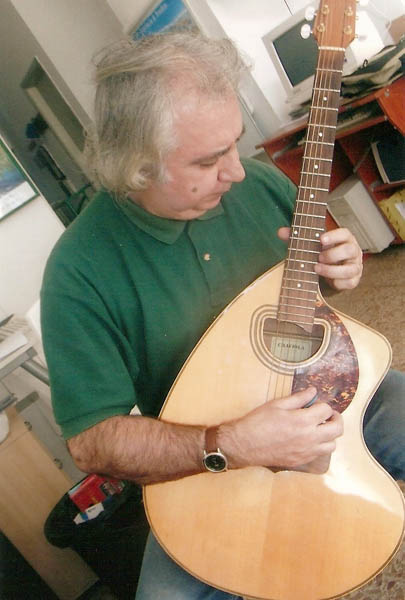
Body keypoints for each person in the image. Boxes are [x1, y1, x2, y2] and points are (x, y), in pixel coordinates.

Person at [40, 32, 404, 600]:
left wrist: (342, 267)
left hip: (332, 398)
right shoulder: (78, 271)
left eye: (234, 144)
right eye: (209, 160)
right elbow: (92, 442)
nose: (236, 171)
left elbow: (308, 293)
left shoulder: (257, 184)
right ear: (135, 167)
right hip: (208, 461)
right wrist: (234, 443)